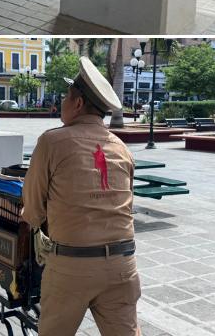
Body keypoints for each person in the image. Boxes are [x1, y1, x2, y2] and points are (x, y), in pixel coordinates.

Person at [22, 57, 141, 335]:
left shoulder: (52, 141)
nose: (62, 101)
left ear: (77, 104)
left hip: (72, 267)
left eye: (66, 96)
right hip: (123, 266)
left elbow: (33, 205)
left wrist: (37, 223)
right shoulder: (122, 148)